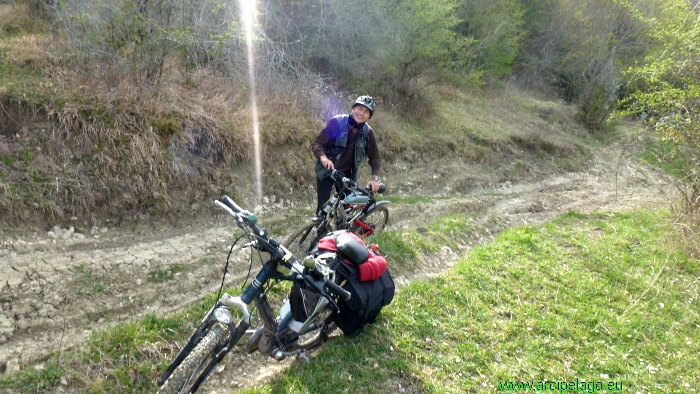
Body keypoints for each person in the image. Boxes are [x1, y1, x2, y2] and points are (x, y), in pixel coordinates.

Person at [311, 95, 382, 219]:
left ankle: (343, 231)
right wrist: (323, 158)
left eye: (366, 111)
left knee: (349, 208)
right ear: (353, 109)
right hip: (327, 170)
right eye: (359, 108)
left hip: (346, 176)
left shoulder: (368, 133)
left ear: (369, 116)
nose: (361, 113)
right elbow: (318, 144)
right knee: (323, 209)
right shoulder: (337, 123)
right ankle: (320, 233)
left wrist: (375, 178)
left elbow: (375, 158)